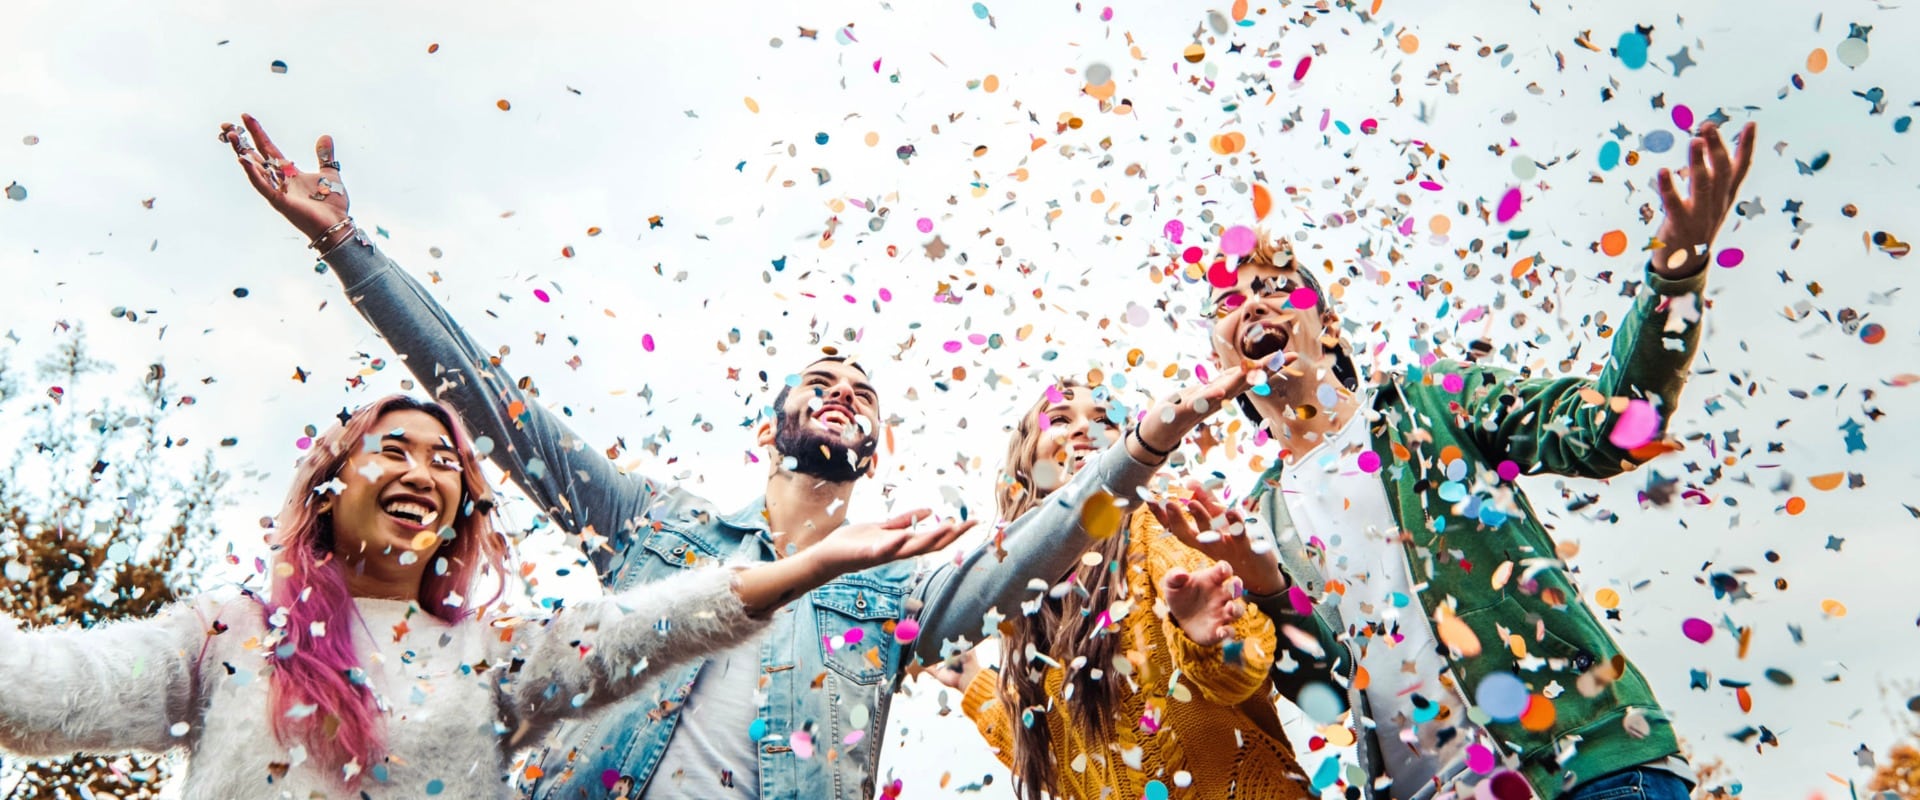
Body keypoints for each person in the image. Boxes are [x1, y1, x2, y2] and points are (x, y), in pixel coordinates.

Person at [217, 114, 1251, 800]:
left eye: (865, 393)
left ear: (877, 445)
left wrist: (1146, 439)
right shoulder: (649, 527)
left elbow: (1030, 550)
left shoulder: (891, 593)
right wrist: (350, 250)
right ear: (774, 425)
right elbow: (498, 409)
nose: (843, 389)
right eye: (822, 378)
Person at [0, 395, 967, 799]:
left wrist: (806, 569)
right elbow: (47, 688)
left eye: (446, 461)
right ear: (331, 483)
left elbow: (638, 629)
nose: (423, 471)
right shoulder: (222, 636)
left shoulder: (492, 654)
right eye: (393, 448)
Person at [1191, 122, 1759, 799]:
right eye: (1229, 301)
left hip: (1585, 772)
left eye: (1278, 284)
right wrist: (1265, 588)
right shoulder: (1261, 519)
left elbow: (1607, 429)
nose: (1253, 300)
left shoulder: (1434, 403)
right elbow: (1324, 698)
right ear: (1218, 361)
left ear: (1330, 326)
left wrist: (1675, 274)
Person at [933, 378, 1317, 799]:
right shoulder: (1028, 606)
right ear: (1026, 461)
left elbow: (1242, 672)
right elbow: (1064, 763)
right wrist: (970, 680)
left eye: (1105, 421)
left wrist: (1209, 636)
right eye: (1060, 418)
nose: (1084, 429)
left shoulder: (1157, 519)